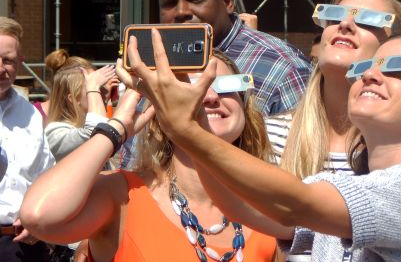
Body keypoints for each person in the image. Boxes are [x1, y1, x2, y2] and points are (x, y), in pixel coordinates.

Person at [122, 29, 401, 261]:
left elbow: (292, 204)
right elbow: (252, 207)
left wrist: (186, 130)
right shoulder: (349, 189)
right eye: (367, 66)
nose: (371, 73)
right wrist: (191, 128)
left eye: (399, 66)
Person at [20, 50, 281, 262]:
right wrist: (115, 130)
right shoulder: (124, 196)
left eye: (226, 86)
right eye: (193, 88)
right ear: (160, 112)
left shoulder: (271, 204)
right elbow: (40, 215)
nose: (212, 96)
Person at [267, 0, 401, 180]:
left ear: (394, 49)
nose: (345, 24)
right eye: (335, 15)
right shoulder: (266, 137)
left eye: (368, 20)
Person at [158, 0, 311, 115]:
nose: (181, 11)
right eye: (169, 3)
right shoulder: (150, 67)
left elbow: (304, 140)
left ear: (228, 2)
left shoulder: (284, 68)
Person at [0, 17, 55, 261]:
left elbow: (46, 176)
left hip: (21, 244)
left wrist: (40, 218)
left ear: (19, 63)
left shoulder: (31, 115)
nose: (1, 68)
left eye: (8, 60)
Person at [45, 61, 116, 162]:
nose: (103, 92)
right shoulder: (55, 133)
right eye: (93, 87)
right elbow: (99, 133)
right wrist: (94, 88)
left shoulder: (84, 124)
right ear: (74, 98)